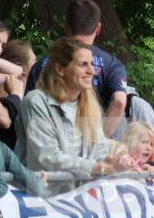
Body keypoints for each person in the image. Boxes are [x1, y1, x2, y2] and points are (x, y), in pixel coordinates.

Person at [26, 0, 154, 139]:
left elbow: (27, 111)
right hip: (89, 144)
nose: (91, 70)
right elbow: (119, 101)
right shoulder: (111, 64)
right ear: (98, 28)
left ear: (67, 26)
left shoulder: (43, 65)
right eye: (83, 65)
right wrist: (99, 141)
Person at [15, 38, 133, 193]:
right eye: (83, 64)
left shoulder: (89, 104)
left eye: (92, 64)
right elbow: (48, 157)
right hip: (38, 201)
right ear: (60, 69)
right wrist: (101, 167)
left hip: (75, 201)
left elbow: (99, 148)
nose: (92, 70)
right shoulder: (35, 101)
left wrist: (124, 160)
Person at [119, 121, 154, 188]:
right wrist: (140, 169)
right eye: (144, 142)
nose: (149, 148)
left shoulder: (147, 168)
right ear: (130, 142)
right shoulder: (122, 161)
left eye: (152, 144)